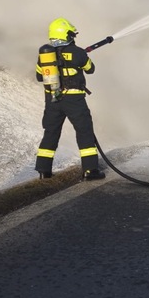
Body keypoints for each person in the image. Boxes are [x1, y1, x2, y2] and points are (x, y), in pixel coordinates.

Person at [35, 18, 105, 180]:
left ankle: (43, 171)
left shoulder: (44, 55)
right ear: (67, 35)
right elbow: (90, 69)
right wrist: (79, 57)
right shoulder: (78, 52)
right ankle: (90, 170)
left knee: (51, 132)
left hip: (53, 98)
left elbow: (40, 77)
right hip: (74, 100)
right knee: (84, 131)